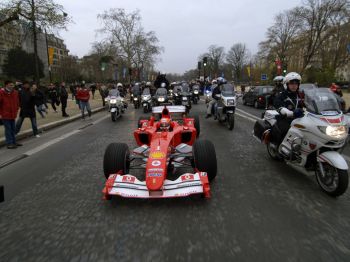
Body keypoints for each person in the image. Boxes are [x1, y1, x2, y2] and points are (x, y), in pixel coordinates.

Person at [272, 72, 303, 144]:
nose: (294, 85)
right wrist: (286, 111)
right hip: (285, 119)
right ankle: (279, 147)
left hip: (299, 119)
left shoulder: (300, 95)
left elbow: (308, 104)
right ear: (286, 84)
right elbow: (278, 104)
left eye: (296, 83)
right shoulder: (282, 95)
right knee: (286, 130)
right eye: (291, 83)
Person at [0, 80, 20, 149]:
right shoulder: (1, 92)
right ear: (6, 85)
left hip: (13, 114)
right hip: (5, 114)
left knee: (13, 129)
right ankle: (9, 143)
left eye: (12, 85)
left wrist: (17, 109)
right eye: (10, 85)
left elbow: (17, 102)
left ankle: (14, 142)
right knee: (8, 129)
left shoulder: (15, 92)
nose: (12, 86)